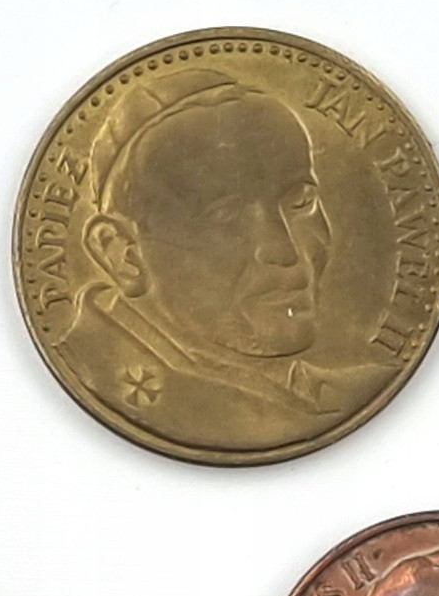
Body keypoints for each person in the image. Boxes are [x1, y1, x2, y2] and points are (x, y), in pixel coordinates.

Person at [54, 68, 393, 451]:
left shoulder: (360, 386)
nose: (285, 252)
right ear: (121, 253)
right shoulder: (94, 374)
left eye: (300, 201)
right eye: (226, 215)